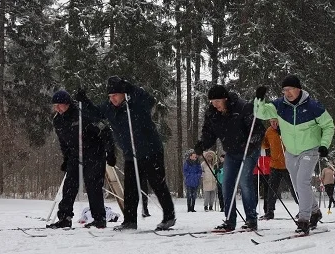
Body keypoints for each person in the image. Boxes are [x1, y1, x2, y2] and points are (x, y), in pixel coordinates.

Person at [76, 77, 176, 231]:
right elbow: (95, 114)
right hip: (131, 153)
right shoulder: (109, 108)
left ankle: (169, 216)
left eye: (115, 95)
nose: (112, 99)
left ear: (123, 94)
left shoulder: (135, 104)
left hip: (150, 150)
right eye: (110, 96)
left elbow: (150, 100)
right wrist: (85, 101)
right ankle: (130, 221)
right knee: (130, 188)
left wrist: (131, 88)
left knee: (157, 183)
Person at [254, 75, 335, 234]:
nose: (287, 93)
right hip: (290, 151)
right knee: (298, 185)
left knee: (302, 181)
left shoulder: (313, 106)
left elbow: (328, 125)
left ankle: (304, 219)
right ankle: (315, 211)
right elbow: (260, 113)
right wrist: (259, 98)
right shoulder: (279, 105)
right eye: (284, 90)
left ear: (299, 89)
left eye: (290, 89)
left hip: (310, 149)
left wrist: (324, 145)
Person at [195, 85, 265, 231]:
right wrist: (202, 144)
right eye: (212, 102)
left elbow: (257, 128)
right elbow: (208, 134)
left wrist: (252, 142)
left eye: (218, 101)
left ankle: (251, 220)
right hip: (232, 152)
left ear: (225, 99)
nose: (215, 105)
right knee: (226, 184)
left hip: (248, 150)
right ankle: (229, 220)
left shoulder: (242, 107)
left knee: (245, 181)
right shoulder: (212, 114)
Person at [48, 90, 111, 229]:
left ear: (68, 104)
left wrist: (110, 151)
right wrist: (66, 159)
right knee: (69, 185)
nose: (57, 108)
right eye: (55, 106)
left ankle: (99, 218)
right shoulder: (57, 120)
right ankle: (65, 217)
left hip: (94, 152)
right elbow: (63, 143)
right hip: (75, 154)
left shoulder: (82, 114)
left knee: (93, 185)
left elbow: (104, 130)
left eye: (60, 105)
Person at [261, 118, 298, 219]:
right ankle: (269, 211)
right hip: (275, 165)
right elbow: (265, 145)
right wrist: (261, 138)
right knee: (271, 189)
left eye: (275, 122)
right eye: (271, 122)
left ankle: (303, 208)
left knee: (294, 188)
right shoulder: (269, 131)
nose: (273, 124)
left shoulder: (286, 129)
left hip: (288, 164)